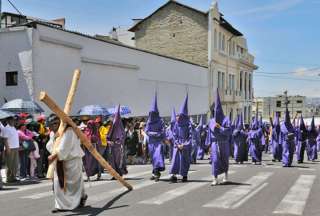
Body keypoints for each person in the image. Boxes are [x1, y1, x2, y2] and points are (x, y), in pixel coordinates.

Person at [46, 114, 87, 213]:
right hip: (59, 161)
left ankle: (80, 199)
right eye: (51, 125)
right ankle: (60, 205)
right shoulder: (52, 133)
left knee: (74, 185)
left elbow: (64, 148)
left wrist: (55, 154)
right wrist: (54, 152)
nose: (53, 126)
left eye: (55, 123)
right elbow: (50, 145)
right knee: (57, 184)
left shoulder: (69, 131)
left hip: (72, 161)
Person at [207, 90, 232, 186]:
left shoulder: (226, 119)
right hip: (214, 143)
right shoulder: (211, 121)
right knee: (215, 160)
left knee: (224, 159)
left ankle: (226, 175)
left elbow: (229, 131)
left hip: (224, 143)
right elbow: (209, 133)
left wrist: (220, 127)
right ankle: (215, 178)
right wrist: (209, 145)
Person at [169, 94, 192, 183]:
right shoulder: (176, 124)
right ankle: (174, 175)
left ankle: (184, 175)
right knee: (175, 159)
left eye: (180, 115)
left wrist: (184, 145)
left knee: (184, 160)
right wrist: (178, 144)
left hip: (185, 145)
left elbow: (190, 137)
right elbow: (174, 135)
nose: (178, 117)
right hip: (177, 144)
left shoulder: (188, 125)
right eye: (177, 115)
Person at [145, 93, 166, 181]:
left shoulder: (160, 121)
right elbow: (146, 131)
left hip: (158, 143)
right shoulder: (149, 121)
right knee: (153, 158)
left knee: (158, 157)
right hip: (151, 143)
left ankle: (157, 173)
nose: (152, 114)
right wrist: (154, 133)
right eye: (151, 113)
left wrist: (155, 134)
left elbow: (162, 131)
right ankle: (154, 173)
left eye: (154, 113)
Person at [108, 105, 128, 178]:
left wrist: (119, 142)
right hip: (112, 147)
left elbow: (123, 136)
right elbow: (108, 136)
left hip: (119, 147)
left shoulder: (121, 127)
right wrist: (109, 141)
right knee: (112, 161)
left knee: (119, 160)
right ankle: (114, 174)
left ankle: (120, 173)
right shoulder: (112, 126)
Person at [1, 117, 19, 183]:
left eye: (14, 120)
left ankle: (13, 177)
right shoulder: (6, 129)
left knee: (15, 164)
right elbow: (5, 140)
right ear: (8, 121)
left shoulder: (13, 128)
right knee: (9, 164)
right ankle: (9, 178)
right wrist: (7, 148)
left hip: (15, 147)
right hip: (10, 148)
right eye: (12, 120)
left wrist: (18, 146)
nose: (13, 121)